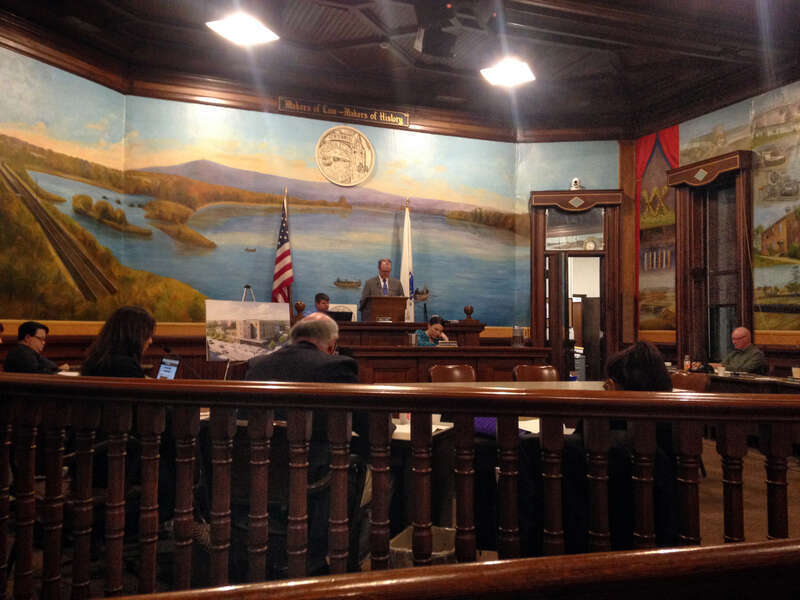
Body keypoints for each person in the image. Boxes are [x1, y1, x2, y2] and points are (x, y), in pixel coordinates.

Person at [244, 312, 368, 576]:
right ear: (332, 345)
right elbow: (368, 426)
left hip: (256, 478)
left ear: (294, 337)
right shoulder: (335, 367)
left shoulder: (257, 365)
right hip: (313, 478)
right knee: (379, 471)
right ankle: (350, 563)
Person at [80, 306, 155, 377]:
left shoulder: (93, 361)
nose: (150, 341)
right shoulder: (128, 369)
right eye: (147, 335)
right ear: (133, 336)